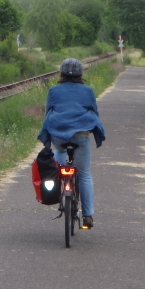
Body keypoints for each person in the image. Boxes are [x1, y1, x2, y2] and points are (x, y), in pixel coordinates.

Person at [37, 58, 105, 229]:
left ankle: (62, 192)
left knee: (58, 169)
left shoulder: (53, 91)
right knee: (83, 174)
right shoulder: (88, 91)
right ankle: (88, 215)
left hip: (59, 136)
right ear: (81, 74)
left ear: (61, 73)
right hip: (81, 135)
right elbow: (94, 112)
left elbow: (47, 114)